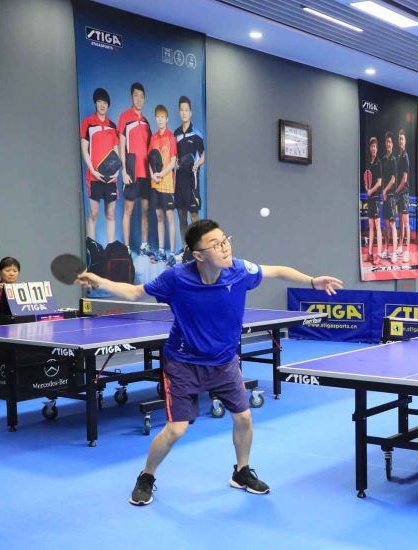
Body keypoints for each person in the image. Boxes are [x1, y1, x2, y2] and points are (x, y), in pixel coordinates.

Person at [75, 219, 343, 505]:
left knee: (244, 418)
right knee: (176, 429)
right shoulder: (176, 279)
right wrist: (101, 281)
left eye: (225, 240)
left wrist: (312, 281)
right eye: (215, 245)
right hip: (183, 363)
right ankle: (147, 476)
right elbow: (135, 292)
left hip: (224, 362)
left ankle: (241, 472)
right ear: (199, 255)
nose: (224, 247)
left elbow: (276, 270)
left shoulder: (239, 270)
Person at [80, 88, 119, 244]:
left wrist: (117, 172)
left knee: (110, 214)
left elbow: (116, 151)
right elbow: (84, 149)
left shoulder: (112, 126)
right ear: (95, 103)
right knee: (94, 213)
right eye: (99, 102)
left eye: (105, 103)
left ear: (108, 105)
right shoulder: (88, 123)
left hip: (111, 178)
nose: (102, 105)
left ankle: (111, 249)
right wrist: (92, 171)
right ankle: (92, 249)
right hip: (94, 176)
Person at [118, 82, 152, 254]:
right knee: (128, 210)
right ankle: (126, 248)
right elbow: (121, 146)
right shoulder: (124, 117)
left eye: (141, 96)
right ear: (131, 97)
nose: (139, 99)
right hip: (131, 172)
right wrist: (123, 171)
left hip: (146, 174)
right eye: (136, 95)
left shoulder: (146, 122)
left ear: (144, 99)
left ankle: (144, 246)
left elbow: (151, 149)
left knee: (145, 210)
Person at [174, 96, 206, 261]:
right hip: (179, 179)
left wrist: (197, 164)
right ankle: (186, 248)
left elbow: (203, 155)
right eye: (182, 110)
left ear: (191, 112)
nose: (184, 113)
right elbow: (173, 155)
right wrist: (175, 163)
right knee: (181, 215)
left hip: (192, 179)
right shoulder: (176, 134)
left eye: (187, 110)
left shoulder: (197, 133)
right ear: (179, 112)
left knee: (194, 215)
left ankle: (196, 248)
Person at [148, 104, 178, 267]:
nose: (160, 120)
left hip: (167, 184)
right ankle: (161, 251)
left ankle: (172, 253)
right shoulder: (153, 138)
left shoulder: (171, 137)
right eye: (158, 117)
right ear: (155, 119)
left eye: (163, 117)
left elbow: (173, 162)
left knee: (170, 217)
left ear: (167, 119)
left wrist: (161, 174)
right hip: (155, 183)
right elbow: (150, 160)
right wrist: (153, 174)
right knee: (159, 216)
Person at [363, 136, 383, 265]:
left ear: (377, 148)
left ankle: (378, 254)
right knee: (370, 226)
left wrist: (371, 191)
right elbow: (367, 179)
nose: (374, 148)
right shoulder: (369, 164)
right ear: (370, 148)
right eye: (372, 146)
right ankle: (370, 253)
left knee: (377, 226)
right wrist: (367, 188)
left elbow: (379, 183)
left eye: (375, 146)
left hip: (375, 198)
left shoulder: (378, 163)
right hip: (370, 198)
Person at [380, 132, 398, 263]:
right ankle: (386, 249)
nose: (388, 144)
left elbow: (393, 179)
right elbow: (383, 178)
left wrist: (385, 191)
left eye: (389, 142)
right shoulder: (384, 159)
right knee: (386, 225)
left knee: (392, 225)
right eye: (386, 142)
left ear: (392, 144)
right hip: (385, 196)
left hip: (391, 196)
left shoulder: (393, 160)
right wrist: (382, 191)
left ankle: (394, 252)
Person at [395, 129, 411, 264]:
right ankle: (400, 246)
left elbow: (404, 179)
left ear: (405, 141)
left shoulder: (405, 156)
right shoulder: (399, 156)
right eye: (399, 139)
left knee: (406, 223)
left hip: (404, 193)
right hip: (399, 194)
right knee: (400, 222)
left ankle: (407, 251)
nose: (400, 141)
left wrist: (397, 190)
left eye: (402, 139)